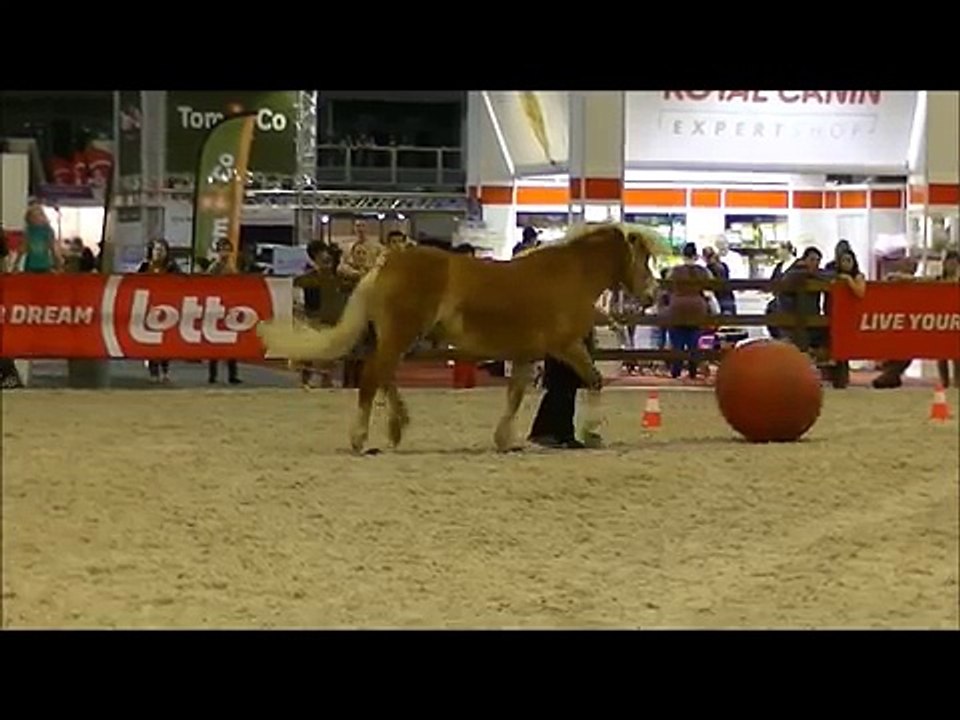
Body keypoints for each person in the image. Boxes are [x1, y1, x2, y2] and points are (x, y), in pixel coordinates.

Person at [295, 240, 348, 388]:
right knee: (311, 353)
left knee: (330, 353)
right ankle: (307, 381)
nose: (326, 260)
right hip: (314, 319)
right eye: (321, 257)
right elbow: (300, 300)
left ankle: (326, 381)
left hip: (334, 318)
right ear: (314, 258)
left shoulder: (340, 278)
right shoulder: (306, 279)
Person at [665, 242, 713, 381]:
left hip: (677, 306)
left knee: (677, 342)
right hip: (697, 307)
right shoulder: (703, 271)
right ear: (696, 255)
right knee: (694, 340)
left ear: (683, 255)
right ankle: (692, 370)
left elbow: (666, 287)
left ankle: (676, 371)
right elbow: (710, 287)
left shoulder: (674, 271)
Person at [137, 239, 181, 383]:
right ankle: (153, 372)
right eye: (156, 249)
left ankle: (165, 371)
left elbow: (181, 283)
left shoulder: (172, 267)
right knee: (151, 342)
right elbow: (135, 283)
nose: (159, 252)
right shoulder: (145, 266)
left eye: (162, 249)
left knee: (165, 341)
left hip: (168, 308)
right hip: (149, 308)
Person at [823, 249, 866, 388]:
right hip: (833, 314)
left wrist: (849, 281)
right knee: (833, 345)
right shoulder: (833, 275)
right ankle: (835, 378)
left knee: (844, 347)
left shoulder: (857, 276)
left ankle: (842, 378)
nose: (846, 264)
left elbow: (860, 292)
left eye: (849, 260)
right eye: (843, 261)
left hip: (850, 315)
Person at [205, 238, 242, 385]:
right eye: (223, 249)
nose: (225, 252)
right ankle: (212, 375)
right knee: (215, 343)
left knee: (231, 342)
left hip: (230, 307)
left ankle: (232, 375)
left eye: (228, 249)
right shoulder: (215, 267)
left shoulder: (232, 267)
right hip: (217, 307)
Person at [936, 250, 960, 388]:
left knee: (957, 355)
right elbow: (922, 281)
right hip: (941, 321)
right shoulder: (939, 280)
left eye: (954, 262)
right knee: (941, 354)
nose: (951, 265)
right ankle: (944, 381)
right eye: (949, 262)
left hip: (956, 320)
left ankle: (957, 382)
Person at [22, 204, 59, 274]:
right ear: (29, 219)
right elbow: (23, 247)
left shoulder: (48, 231)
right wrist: (15, 264)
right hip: (30, 265)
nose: (36, 219)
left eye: (38, 216)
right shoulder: (29, 231)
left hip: (45, 265)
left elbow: (53, 248)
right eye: (33, 217)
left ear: (43, 217)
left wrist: (58, 265)